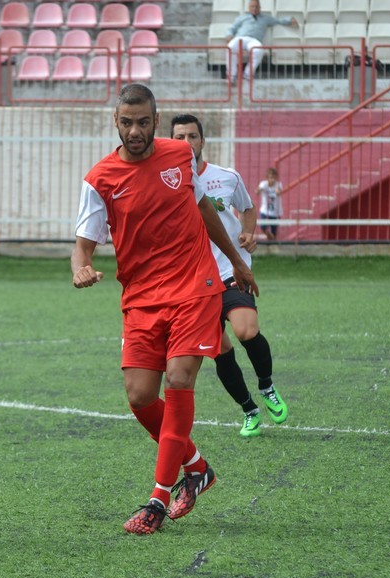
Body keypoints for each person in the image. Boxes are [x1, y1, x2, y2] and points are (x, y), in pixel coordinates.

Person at [72, 84, 259, 535]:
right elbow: (83, 244)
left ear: (156, 121)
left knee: (178, 379)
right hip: (141, 298)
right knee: (139, 397)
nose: (135, 131)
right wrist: (80, 268)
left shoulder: (179, 155)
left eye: (143, 122)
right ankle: (196, 467)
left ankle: (157, 499)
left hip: (195, 286)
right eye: (126, 123)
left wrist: (235, 262)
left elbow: (203, 209)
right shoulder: (100, 179)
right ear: (115, 122)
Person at [170, 114, 288, 438]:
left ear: (202, 141)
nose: (186, 143)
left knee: (246, 331)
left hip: (230, 268)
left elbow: (248, 208)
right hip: (194, 281)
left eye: (192, 136)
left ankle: (267, 386)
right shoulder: (167, 184)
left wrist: (248, 233)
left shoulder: (227, 177)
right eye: (179, 137)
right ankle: (249, 410)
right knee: (219, 350)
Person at [225, 0, 299, 84]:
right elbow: (232, 28)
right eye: (252, 6)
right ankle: (231, 76)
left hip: (254, 40)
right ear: (249, 8)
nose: (254, 8)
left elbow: (278, 21)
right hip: (240, 38)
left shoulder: (266, 18)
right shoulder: (242, 17)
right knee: (230, 47)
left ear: (260, 8)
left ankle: (247, 74)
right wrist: (229, 35)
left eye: (256, 7)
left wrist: (289, 20)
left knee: (258, 50)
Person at [256, 166, 283, 240]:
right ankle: (270, 238)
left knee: (274, 231)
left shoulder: (278, 184)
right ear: (267, 178)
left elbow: (279, 192)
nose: (272, 179)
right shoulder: (263, 184)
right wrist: (259, 190)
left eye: (274, 178)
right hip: (265, 210)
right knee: (263, 227)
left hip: (275, 211)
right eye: (271, 177)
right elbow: (257, 191)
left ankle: (272, 240)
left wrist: (277, 191)